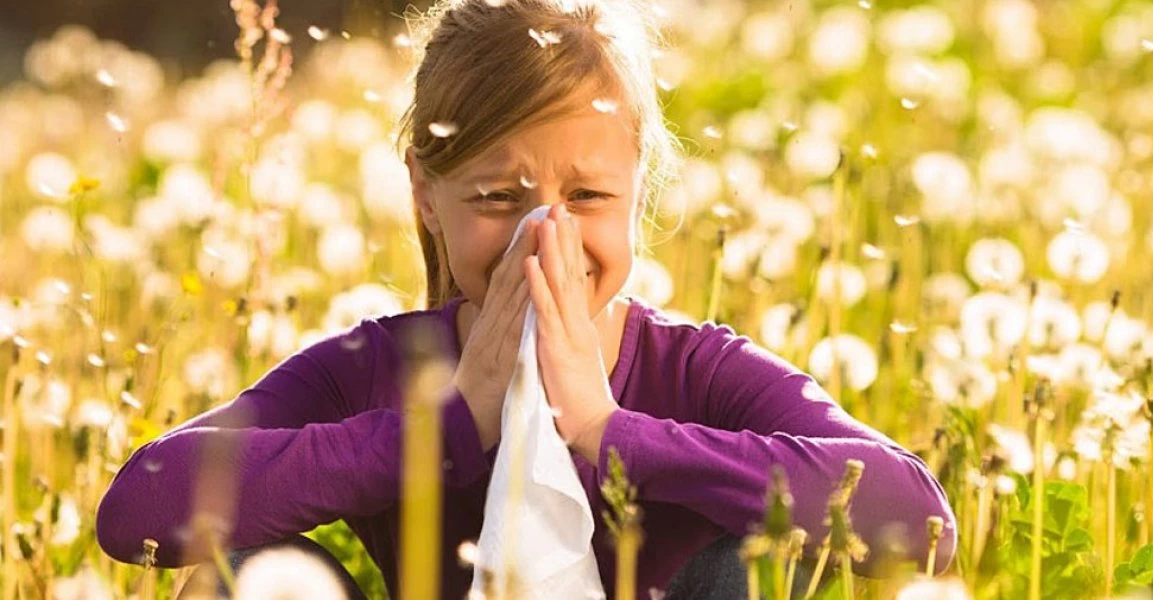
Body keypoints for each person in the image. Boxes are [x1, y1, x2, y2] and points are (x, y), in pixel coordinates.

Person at [95, 0, 957, 597]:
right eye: (499, 200)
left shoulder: (695, 369)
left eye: (587, 198)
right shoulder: (383, 367)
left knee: (723, 551)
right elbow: (141, 508)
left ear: (638, 192)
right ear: (426, 197)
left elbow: (919, 522)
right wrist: (448, 425)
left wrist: (608, 434)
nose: (546, 238)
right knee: (240, 553)